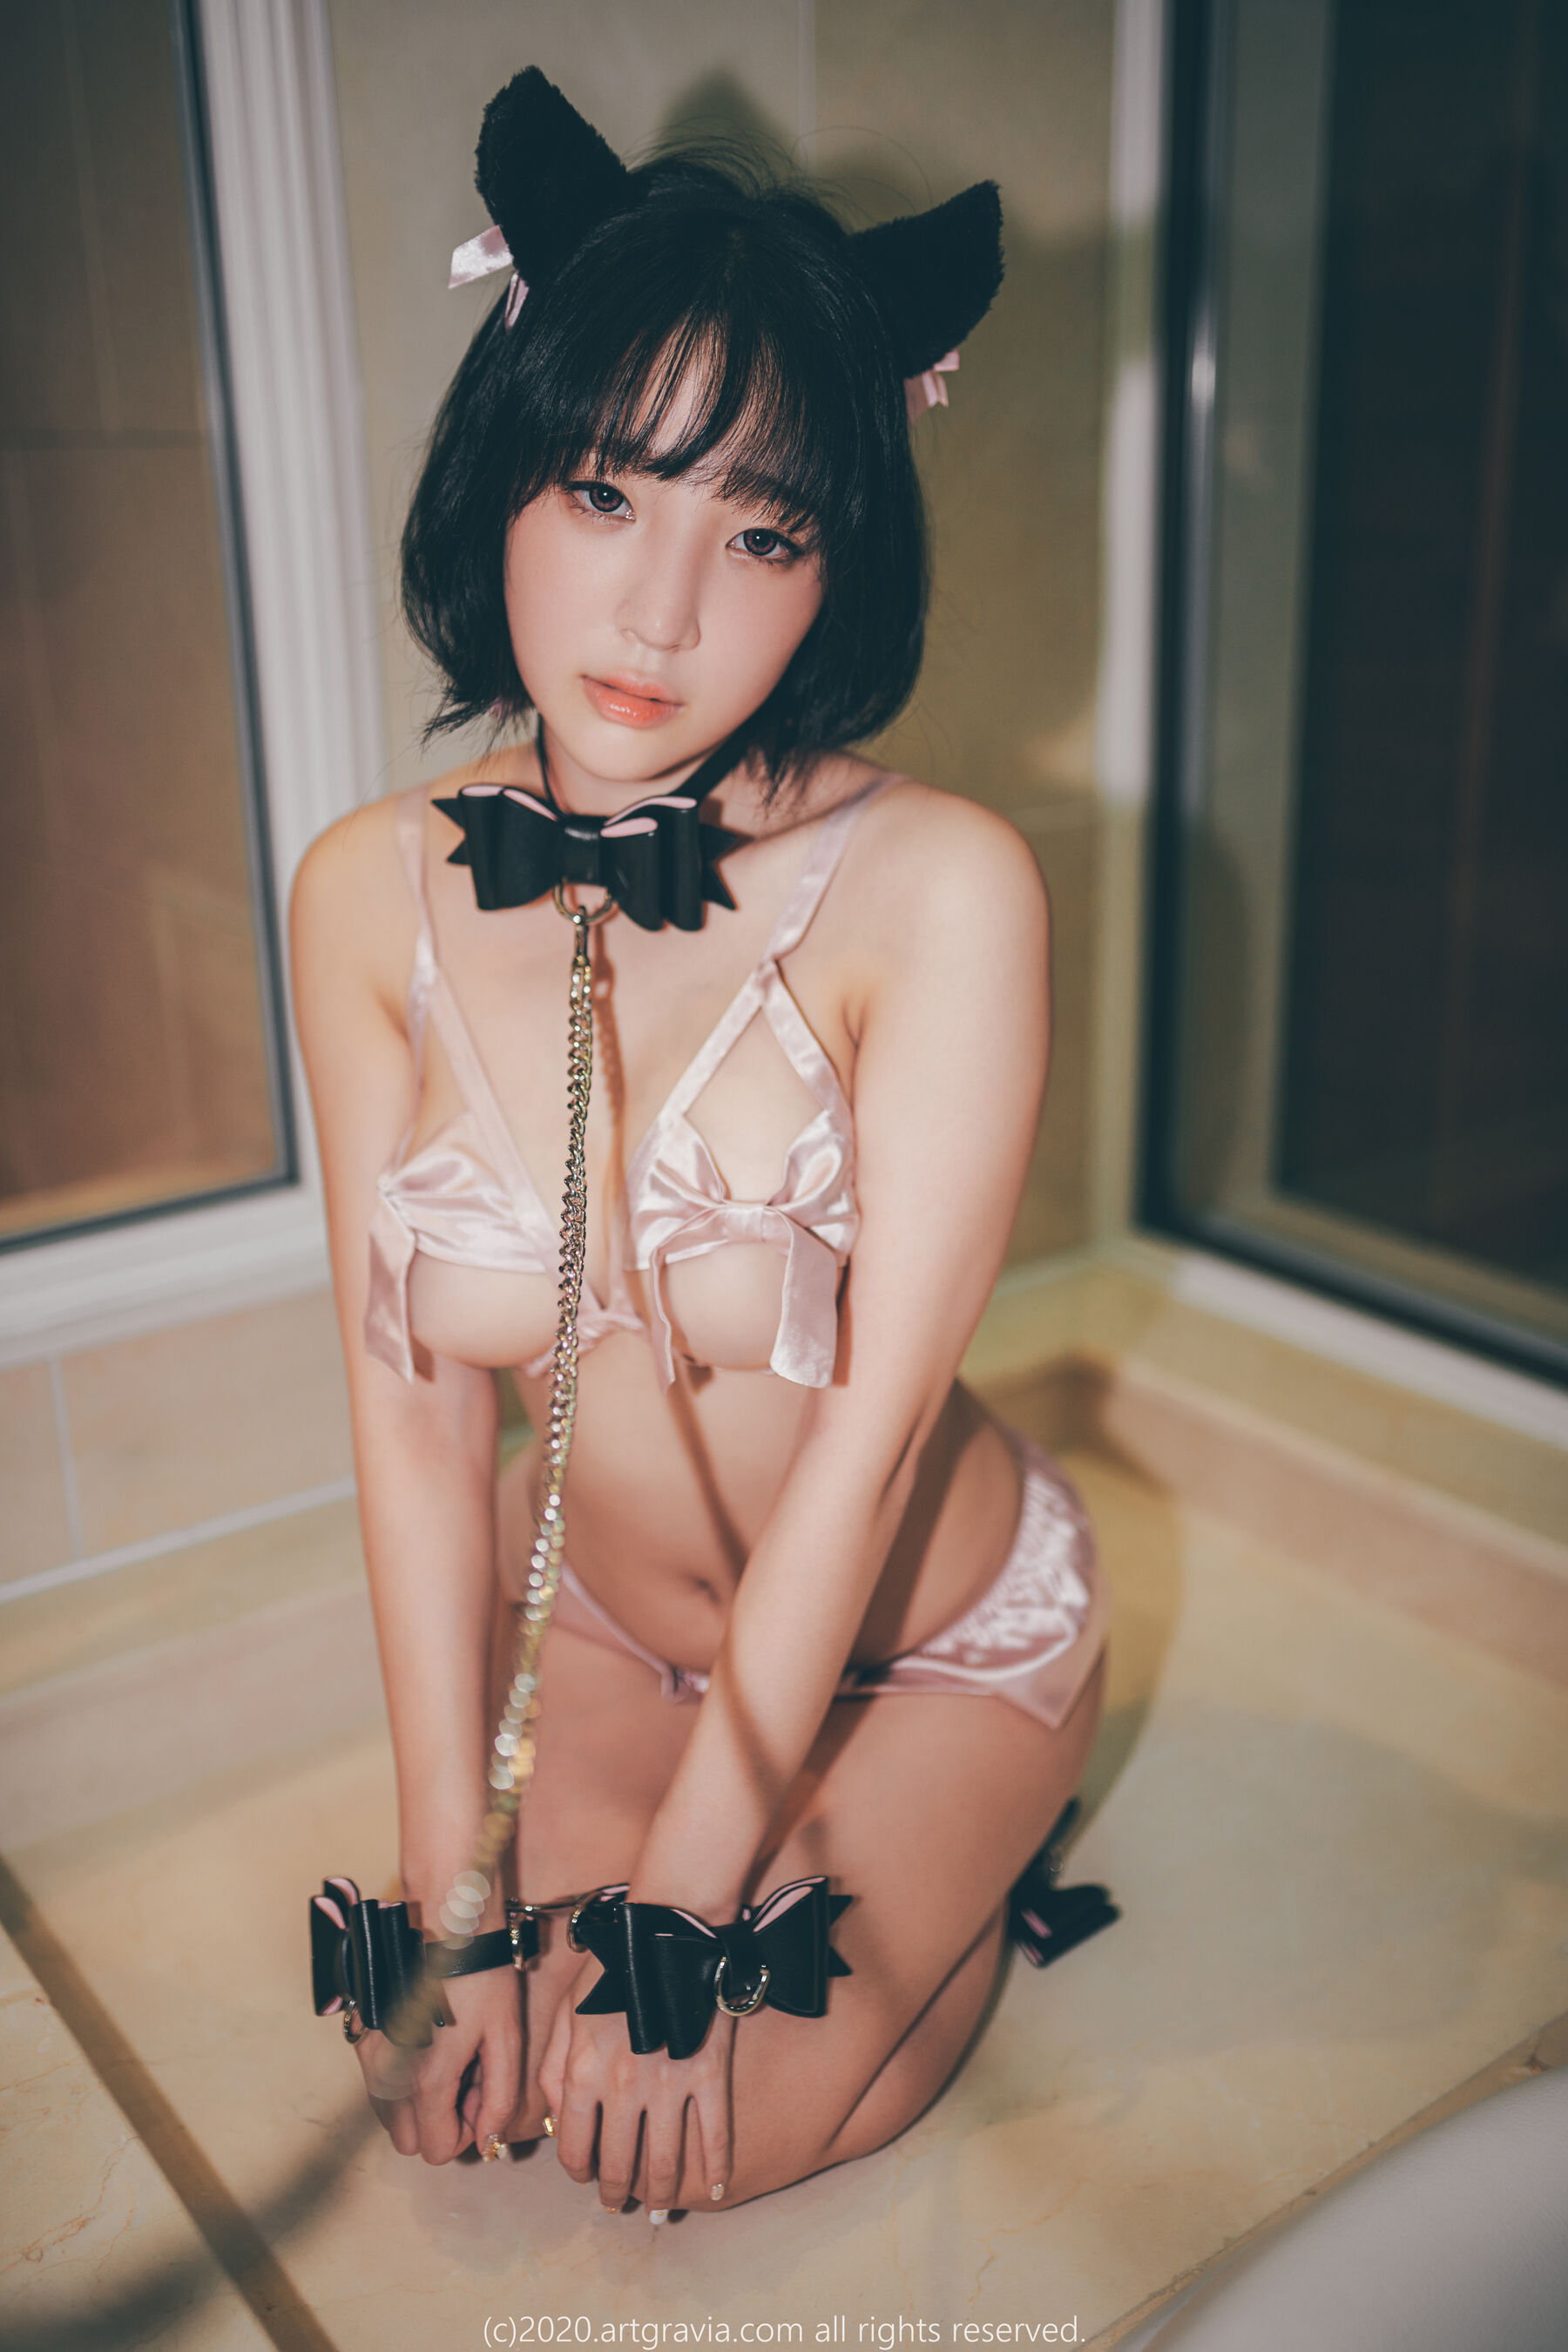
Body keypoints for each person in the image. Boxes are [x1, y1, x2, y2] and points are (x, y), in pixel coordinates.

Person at [291, 66, 1107, 2219]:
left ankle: (992, 1814)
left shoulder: (941, 893)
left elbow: (870, 1439)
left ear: (839, 568)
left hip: (928, 1627)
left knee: (702, 2123)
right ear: (503, 475)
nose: (659, 615)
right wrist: (449, 1883)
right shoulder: (363, 893)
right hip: (606, 1630)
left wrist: (685, 1907)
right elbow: (410, 1413)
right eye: (602, 492)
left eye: (760, 532)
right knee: (506, 2085)